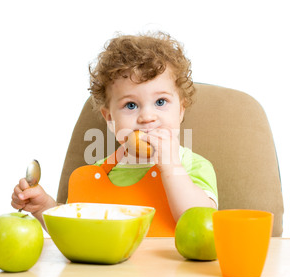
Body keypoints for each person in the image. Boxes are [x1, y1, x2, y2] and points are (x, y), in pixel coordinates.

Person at [11, 31, 218, 231]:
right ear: (110, 119)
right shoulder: (96, 174)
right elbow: (76, 232)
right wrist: (43, 207)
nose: (147, 116)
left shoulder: (195, 167)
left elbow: (201, 223)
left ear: (181, 110)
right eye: (130, 105)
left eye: (160, 101)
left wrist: (171, 166)